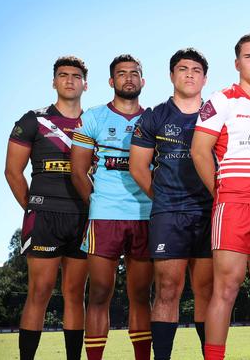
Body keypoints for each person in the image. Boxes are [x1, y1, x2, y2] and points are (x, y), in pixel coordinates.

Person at [190, 33, 250, 360]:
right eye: (249, 56)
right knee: (226, 290)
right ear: (237, 63)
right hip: (232, 203)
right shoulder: (221, 101)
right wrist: (220, 191)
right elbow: (199, 151)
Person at [129, 48, 213, 359]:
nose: (189, 74)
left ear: (205, 78)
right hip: (169, 214)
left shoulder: (218, 115)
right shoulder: (154, 116)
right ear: (171, 75)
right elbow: (138, 168)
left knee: (207, 291)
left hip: (209, 212)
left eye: (196, 70)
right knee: (167, 290)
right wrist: (164, 198)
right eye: (182, 69)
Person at [5, 56, 89, 360]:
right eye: (63, 75)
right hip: (44, 215)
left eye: (76, 76)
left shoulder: (93, 121)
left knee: (74, 295)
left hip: (83, 217)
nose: (69, 80)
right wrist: (32, 207)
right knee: (39, 292)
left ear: (85, 84)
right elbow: (13, 171)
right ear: (54, 81)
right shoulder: (33, 120)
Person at [70, 54, 153, 360]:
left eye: (134, 73)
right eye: (121, 74)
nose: (128, 78)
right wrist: (96, 202)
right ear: (111, 81)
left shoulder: (153, 118)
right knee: (100, 294)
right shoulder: (93, 117)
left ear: (142, 81)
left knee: (141, 296)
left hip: (144, 215)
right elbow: (78, 171)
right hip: (104, 217)